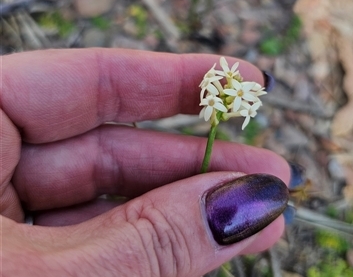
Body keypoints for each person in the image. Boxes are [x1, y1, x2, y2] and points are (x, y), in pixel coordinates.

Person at [1, 48, 290, 277]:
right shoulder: (213, 93)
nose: (238, 90)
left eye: (241, 94)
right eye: (238, 92)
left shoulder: (224, 99)